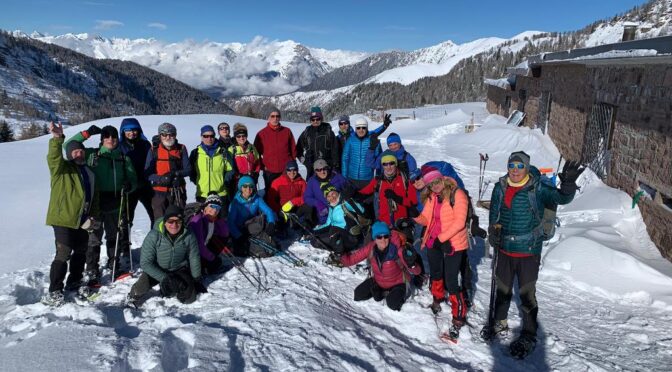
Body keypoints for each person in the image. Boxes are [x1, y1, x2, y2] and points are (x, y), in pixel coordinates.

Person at [482, 152, 584, 358]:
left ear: (527, 168)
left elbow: (562, 198)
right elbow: (494, 213)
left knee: (526, 293)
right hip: (504, 249)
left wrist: (568, 184)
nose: (515, 170)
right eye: (512, 165)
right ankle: (500, 321)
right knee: (502, 288)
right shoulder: (499, 187)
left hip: (528, 251)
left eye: (520, 166)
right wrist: (493, 231)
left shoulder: (538, 188)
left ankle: (529, 333)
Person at [65, 124, 138, 285]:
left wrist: (129, 185)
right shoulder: (92, 154)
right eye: (106, 137)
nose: (110, 139)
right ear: (102, 139)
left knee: (114, 236)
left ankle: (114, 265)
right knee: (94, 239)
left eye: (113, 137)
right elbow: (68, 145)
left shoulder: (123, 159)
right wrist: (86, 134)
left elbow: (134, 181)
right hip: (95, 204)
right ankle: (92, 270)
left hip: (116, 203)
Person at [42, 122, 100, 306]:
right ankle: (55, 291)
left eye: (81, 151)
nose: (78, 153)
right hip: (63, 219)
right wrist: (57, 139)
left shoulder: (90, 173)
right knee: (64, 252)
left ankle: (74, 281)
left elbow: (94, 197)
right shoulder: (61, 170)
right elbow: (53, 158)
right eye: (74, 151)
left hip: (82, 220)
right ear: (69, 154)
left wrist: (94, 217)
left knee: (81, 252)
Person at [413, 170, 470, 340]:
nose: (435, 186)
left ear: (442, 179)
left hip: (452, 243)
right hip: (433, 241)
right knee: (436, 272)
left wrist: (442, 238)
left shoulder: (457, 194)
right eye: (431, 184)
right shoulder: (432, 196)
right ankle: (437, 298)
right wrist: (413, 214)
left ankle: (458, 316)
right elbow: (426, 219)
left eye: (436, 181)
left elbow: (460, 222)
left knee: (451, 279)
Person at [127, 205, 204, 307]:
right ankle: (133, 295)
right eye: (170, 221)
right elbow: (145, 263)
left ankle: (169, 290)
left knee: (189, 298)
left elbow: (194, 257)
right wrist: (165, 278)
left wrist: (196, 279)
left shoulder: (189, 235)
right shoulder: (154, 236)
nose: (174, 224)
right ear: (165, 221)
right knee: (141, 287)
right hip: (157, 269)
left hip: (179, 268)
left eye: (178, 221)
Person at [340, 222, 421, 311]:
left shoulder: (398, 250)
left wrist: (412, 264)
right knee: (358, 294)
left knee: (392, 304)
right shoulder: (371, 248)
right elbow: (350, 260)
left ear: (389, 236)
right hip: (379, 281)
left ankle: (387, 294)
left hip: (398, 283)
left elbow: (417, 271)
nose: (383, 239)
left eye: (386, 236)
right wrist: (340, 252)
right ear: (375, 238)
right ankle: (382, 292)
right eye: (379, 237)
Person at [358, 151, 417, 227]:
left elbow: (413, 201)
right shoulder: (378, 181)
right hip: (383, 223)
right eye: (385, 164)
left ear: (396, 164)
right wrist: (353, 192)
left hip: (401, 223)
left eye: (391, 163)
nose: (388, 167)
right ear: (382, 166)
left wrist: (397, 198)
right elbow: (364, 192)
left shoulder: (405, 179)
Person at [145, 122, 191, 220]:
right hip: (159, 193)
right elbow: (147, 174)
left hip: (178, 191)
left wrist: (176, 174)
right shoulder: (154, 150)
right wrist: (161, 178)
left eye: (171, 134)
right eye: (164, 134)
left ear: (175, 135)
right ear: (160, 136)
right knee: (160, 221)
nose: (168, 137)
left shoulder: (181, 148)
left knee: (178, 220)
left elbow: (188, 170)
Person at [227, 175, 277, 258]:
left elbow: (268, 211)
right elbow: (230, 222)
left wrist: (271, 222)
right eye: (245, 186)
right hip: (240, 230)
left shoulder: (256, 198)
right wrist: (238, 235)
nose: (248, 189)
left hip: (252, 226)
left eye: (251, 186)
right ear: (240, 188)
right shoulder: (235, 203)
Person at [118, 117, 154, 229]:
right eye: (128, 130)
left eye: (134, 130)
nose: (132, 133)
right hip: (129, 187)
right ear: (123, 131)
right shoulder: (120, 146)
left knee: (155, 215)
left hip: (145, 185)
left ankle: (155, 242)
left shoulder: (145, 144)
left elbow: (152, 162)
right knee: (126, 219)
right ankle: (124, 245)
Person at [310, 185, 366, 256]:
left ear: (337, 192)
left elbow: (362, 211)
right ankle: (339, 247)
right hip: (336, 236)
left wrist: (351, 200)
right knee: (314, 241)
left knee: (334, 230)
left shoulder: (346, 202)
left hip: (351, 236)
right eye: (328, 196)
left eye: (333, 193)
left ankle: (340, 254)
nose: (332, 197)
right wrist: (314, 231)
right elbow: (328, 224)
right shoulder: (331, 207)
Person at [189, 125, 235, 206]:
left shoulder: (222, 151)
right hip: (202, 195)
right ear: (201, 137)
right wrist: (198, 182)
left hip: (220, 194)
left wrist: (224, 182)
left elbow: (230, 169)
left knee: (222, 218)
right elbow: (191, 171)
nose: (209, 139)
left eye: (211, 136)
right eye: (205, 136)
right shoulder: (195, 153)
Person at [253, 109, 297, 193]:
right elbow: (255, 153)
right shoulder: (261, 134)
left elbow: (293, 149)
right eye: (272, 116)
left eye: (277, 116)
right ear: (268, 118)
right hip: (269, 170)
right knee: (271, 192)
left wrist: (292, 163)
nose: (275, 118)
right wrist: (262, 166)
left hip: (285, 169)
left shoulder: (287, 131)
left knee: (286, 192)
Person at [188, 194, 230, 275]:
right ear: (205, 207)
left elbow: (224, 234)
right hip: (192, 254)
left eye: (218, 208)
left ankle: (206, 266)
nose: (214, 210)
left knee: (217, 260)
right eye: (212, 206)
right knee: (216, 262)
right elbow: (199, 246)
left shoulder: (211, 219)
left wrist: (219, 219)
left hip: (201, 250)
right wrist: (212, 258)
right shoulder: (198, 220)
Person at [303, 159, 349, 228]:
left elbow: (349, 188)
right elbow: (307, 197)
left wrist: (342, 198)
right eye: (319, 170)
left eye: (324, 168)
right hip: (324, 217)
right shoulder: (312, 181)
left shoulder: (337, 177)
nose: (322, 171)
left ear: (328, 168)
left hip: (341, 215)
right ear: (315, 171)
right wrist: (318, 203)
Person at [296, 106, 339, 178]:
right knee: (311, 188)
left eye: (318, 119)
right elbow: (298, 149)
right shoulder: (306, 133)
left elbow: (335, 150)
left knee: (326, 188)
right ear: (310, 120)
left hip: (326, 169)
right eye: (313, 119)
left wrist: (334, 165)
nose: (315, 121)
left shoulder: (328, 132)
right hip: (311, 170)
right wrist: (304, 161)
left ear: (321, 119)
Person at [266, 160, 309, 231]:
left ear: (297, 170)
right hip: (282, 210)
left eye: (294, 170)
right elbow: (270, 199)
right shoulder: (277, 182)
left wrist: (293, 202)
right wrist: (279, 210)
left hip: (296, 209)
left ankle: (307, 226)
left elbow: (306, 197)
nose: (292, 173)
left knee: (308, 207)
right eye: (289, 170)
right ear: (286, 170)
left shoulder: (302, 182)